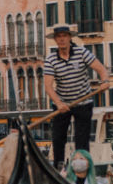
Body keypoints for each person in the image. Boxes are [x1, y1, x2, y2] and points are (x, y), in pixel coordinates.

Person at [42, 25, 108, 168]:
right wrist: (59, 103)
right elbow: (48, 86)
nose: (62, 39)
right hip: (62, 104)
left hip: (83, 102)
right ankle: (59, 167)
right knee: (58, 138)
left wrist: (105, 81)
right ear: (55, 40)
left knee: (81, 140)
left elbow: (101, 69)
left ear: (70, 37)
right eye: (58, 37)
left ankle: (82, 169)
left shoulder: (81, 52)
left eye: (64, 36)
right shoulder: (51, 59)